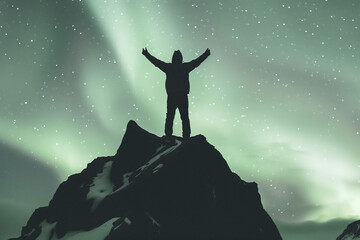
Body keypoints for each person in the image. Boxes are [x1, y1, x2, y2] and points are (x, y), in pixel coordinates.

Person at [142, 48, 210, 141]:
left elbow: (156, 62)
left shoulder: (168, 67)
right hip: (182, 95)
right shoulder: (185, 67)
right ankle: (186, 137)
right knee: (184, 117)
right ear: (181, 59)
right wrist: (206, 54)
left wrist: (147, 54)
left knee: (170, 117)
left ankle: (168, 136)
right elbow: (196, 62)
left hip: (172, 96)